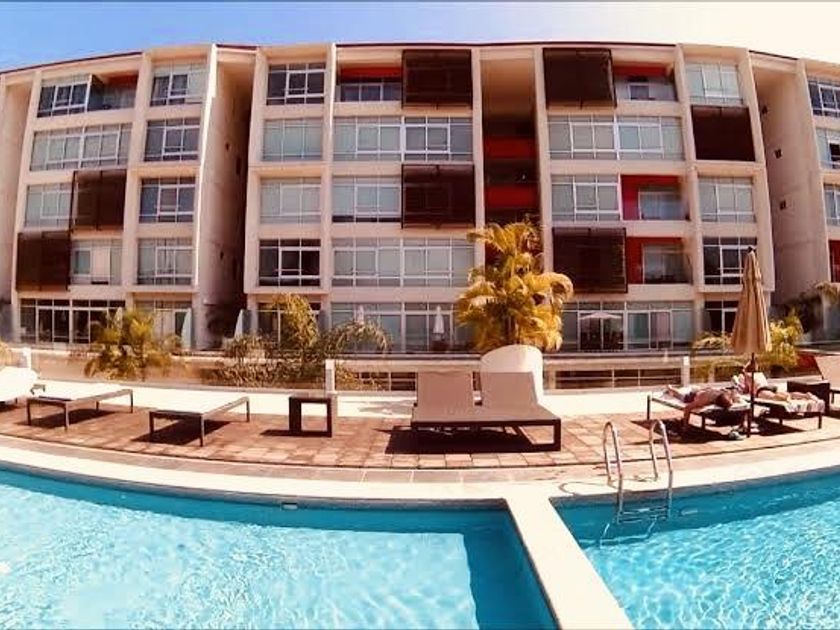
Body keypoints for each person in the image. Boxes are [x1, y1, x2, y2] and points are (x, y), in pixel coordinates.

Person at [664, 384, 743, 437]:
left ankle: (672, 389)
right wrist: (685, 425)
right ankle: (670, 388)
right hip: (694, 395)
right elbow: (687, 408)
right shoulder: (704, 400)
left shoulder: (726, 393)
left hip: (705, 390)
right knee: (681, 396)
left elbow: (733, 396)